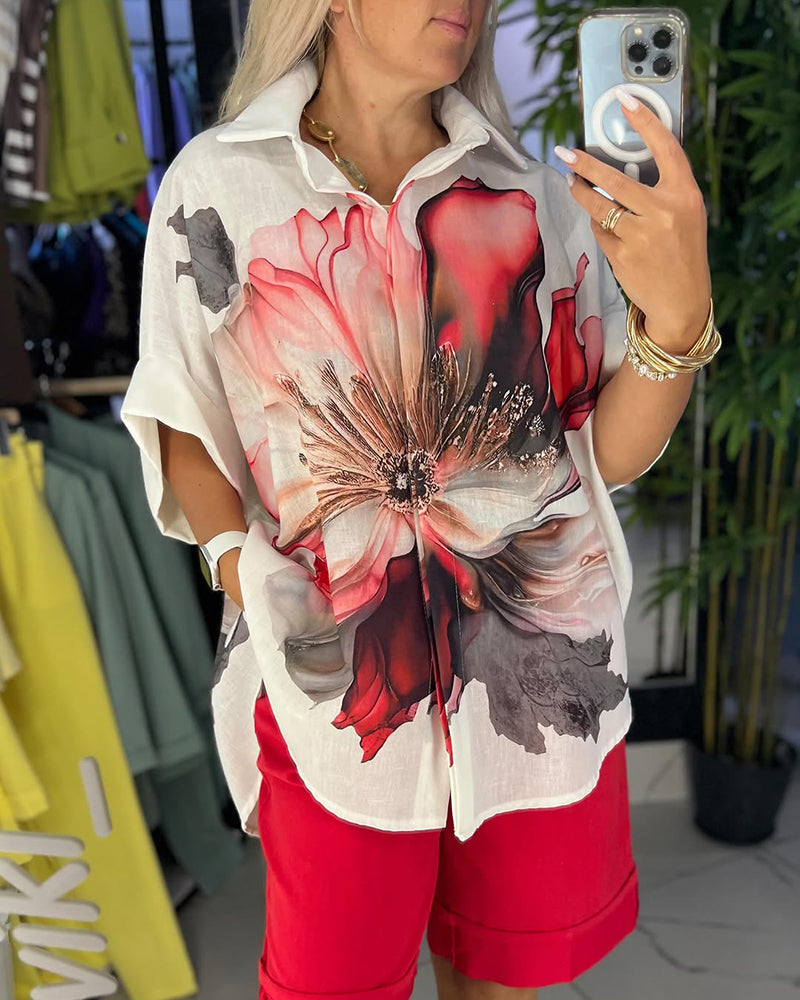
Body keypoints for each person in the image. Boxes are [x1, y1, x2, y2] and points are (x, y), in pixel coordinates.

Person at [120, 1, 716, 998]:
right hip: (337, 680)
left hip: (530, 666)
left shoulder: (534, 196)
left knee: (501, 979)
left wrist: (680, 317)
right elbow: (183, 413)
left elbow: (605, 451)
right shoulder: (219, 185)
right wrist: (240, 570)